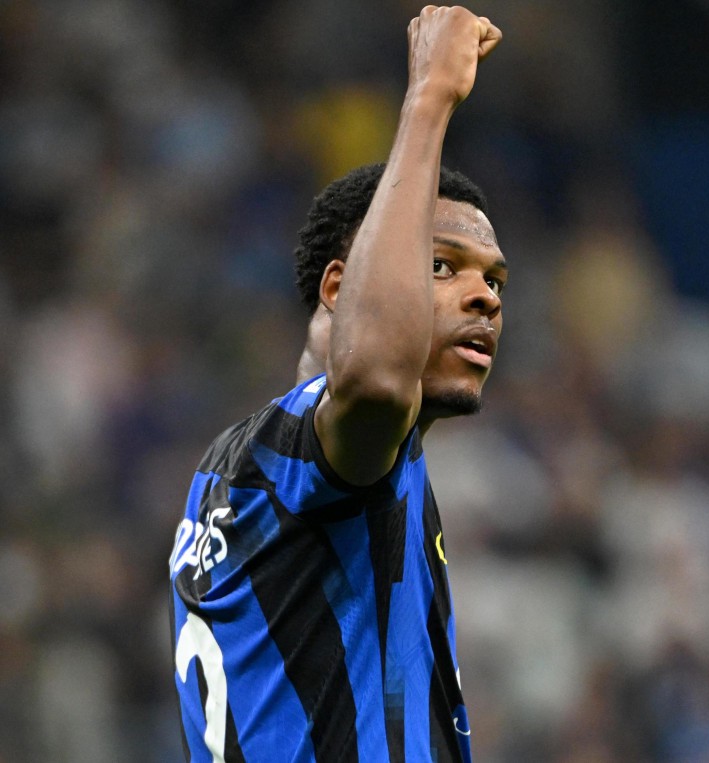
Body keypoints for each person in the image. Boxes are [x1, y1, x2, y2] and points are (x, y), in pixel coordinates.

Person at [167, 7, 504, 761]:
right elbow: (378, 374)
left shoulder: (251, 469)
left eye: (495, 279)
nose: (486, 296)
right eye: (443, 265)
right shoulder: (319, 455)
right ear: (339, 287)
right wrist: (429, 99)